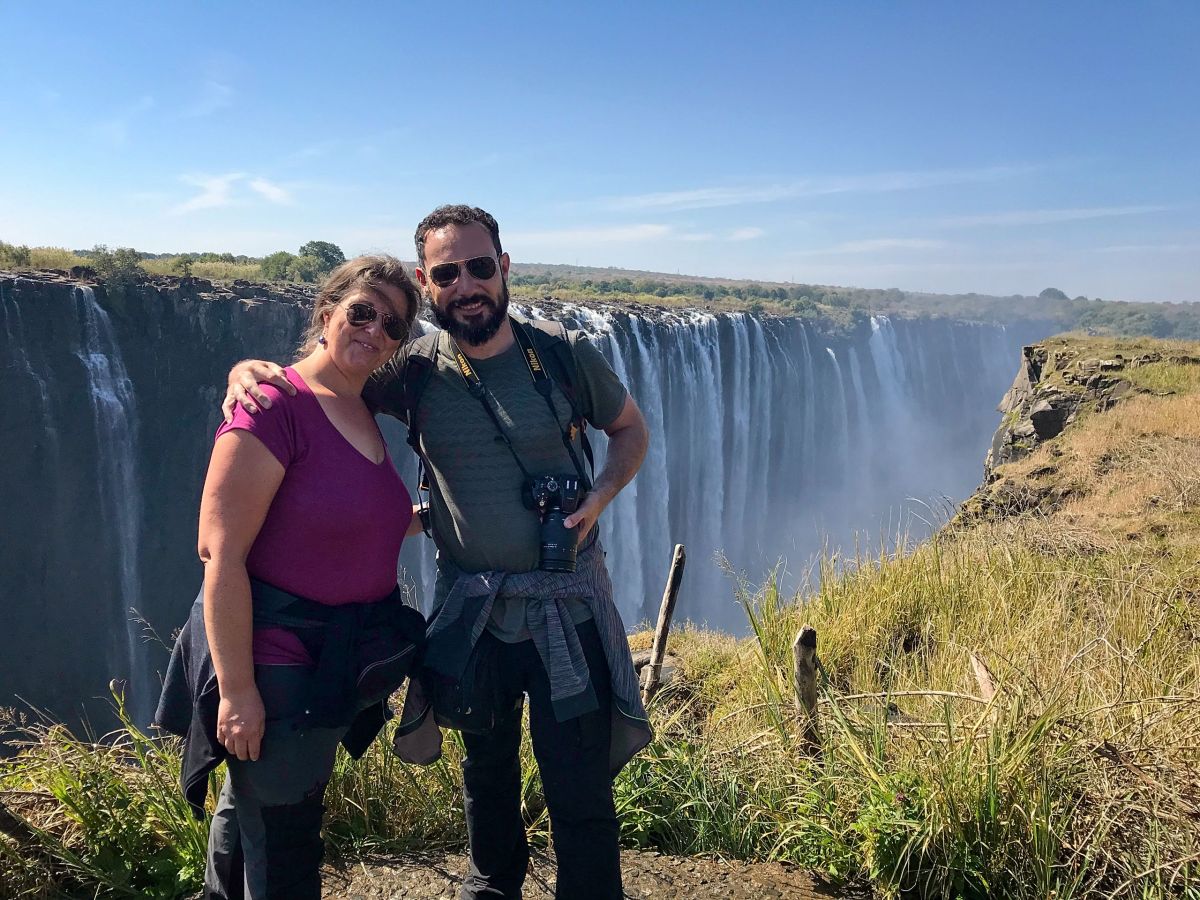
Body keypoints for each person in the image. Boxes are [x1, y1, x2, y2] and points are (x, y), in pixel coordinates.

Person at [224, 206, 653, 900]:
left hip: (567, 615)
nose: (467, 285)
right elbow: (328, 381)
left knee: (580, 793)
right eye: (447, 274)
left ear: (504, 268)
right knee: (485, 782)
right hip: (473, 620)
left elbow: (630, 429)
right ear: (429, 282)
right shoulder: (412, 370)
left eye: (480, 267)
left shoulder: (564, 354)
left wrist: (600, 494)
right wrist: (251, 373)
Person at [157, 255, 425, 900]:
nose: (375, 330)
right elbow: (219, 553)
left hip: (331, 657)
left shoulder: (361, 408)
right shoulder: (272, 403)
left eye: (393, 324)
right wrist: (238, 692)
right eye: (362, 311)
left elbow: (341, 519)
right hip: (279, 661)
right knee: (287, 835)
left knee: (248, 809)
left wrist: (434, 518)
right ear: (327, 311)